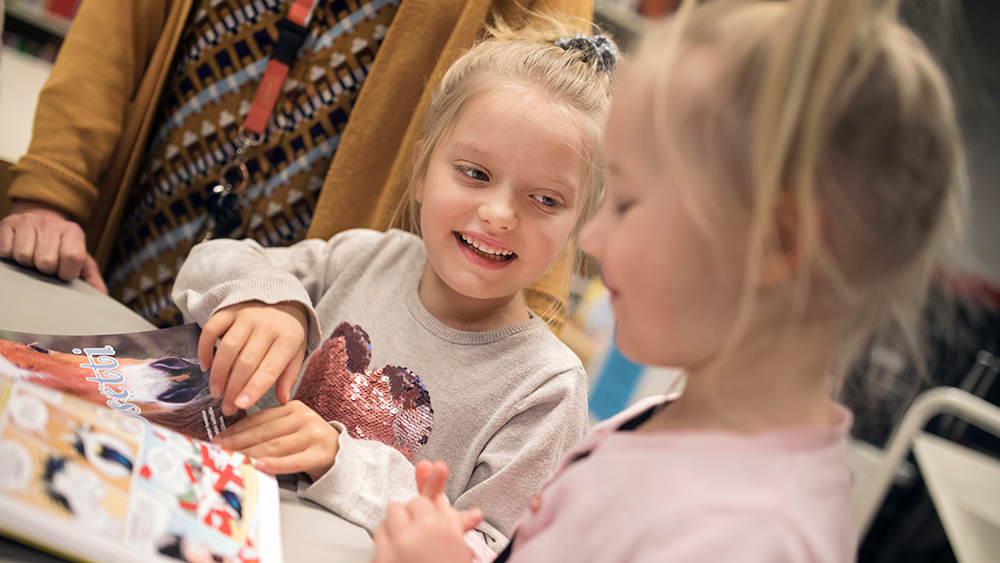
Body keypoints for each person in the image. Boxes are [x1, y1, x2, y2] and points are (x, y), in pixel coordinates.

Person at [369, 0, 969, 561]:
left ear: (772, 243)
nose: (592, 239)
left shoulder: (753, 537)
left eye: (627, 203)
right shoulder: (662, 421)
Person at [172, 21, 615, 554]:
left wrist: (339, 457)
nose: (500, 214)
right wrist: (267, 298)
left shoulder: (547, 389)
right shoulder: (365, 257)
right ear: (422, 170)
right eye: (475, 173)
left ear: (579, 226)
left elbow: (493, 547)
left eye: (545, 200)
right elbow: (203, 265)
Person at [0, 0, 589, 332]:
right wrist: (51, 193)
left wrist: (523, 340)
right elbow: (116, 26)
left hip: (324, 275)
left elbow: (548, 128)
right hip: (150, 206)